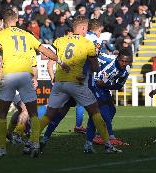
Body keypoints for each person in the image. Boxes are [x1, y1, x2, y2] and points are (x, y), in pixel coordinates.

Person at [0, 9, 68, 157]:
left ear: (4, 21)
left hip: (9, 76)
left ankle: (2, 149)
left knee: (2, 114)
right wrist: (60, 61)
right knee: (32, 113)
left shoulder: (1, 34)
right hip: (25, 77)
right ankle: (35, 144)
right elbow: (44, 50)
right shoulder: (27, 35)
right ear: (17, 19)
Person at [38, 16, 122, 154]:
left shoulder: (64, 39)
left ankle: (42, 139)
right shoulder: (92, 40)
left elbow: (48, 56)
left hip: (62, 81)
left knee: (57, 113)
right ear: (88, 28)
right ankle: (97, 143)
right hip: (83, 83)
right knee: (95, 113)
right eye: (100, 31)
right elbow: (95, 63)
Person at [87, 49, 131, 146]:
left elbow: (118, 86)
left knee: (112, 110)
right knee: (104, 109)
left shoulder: (126, 70)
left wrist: (106, 85)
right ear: (117, 58)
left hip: (103, 87)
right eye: (121, 61)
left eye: (126, 61)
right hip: (92, 83)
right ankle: (110, 136)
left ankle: (98, 135)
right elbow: (92, 61)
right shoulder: (108, 60)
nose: (123, 63)